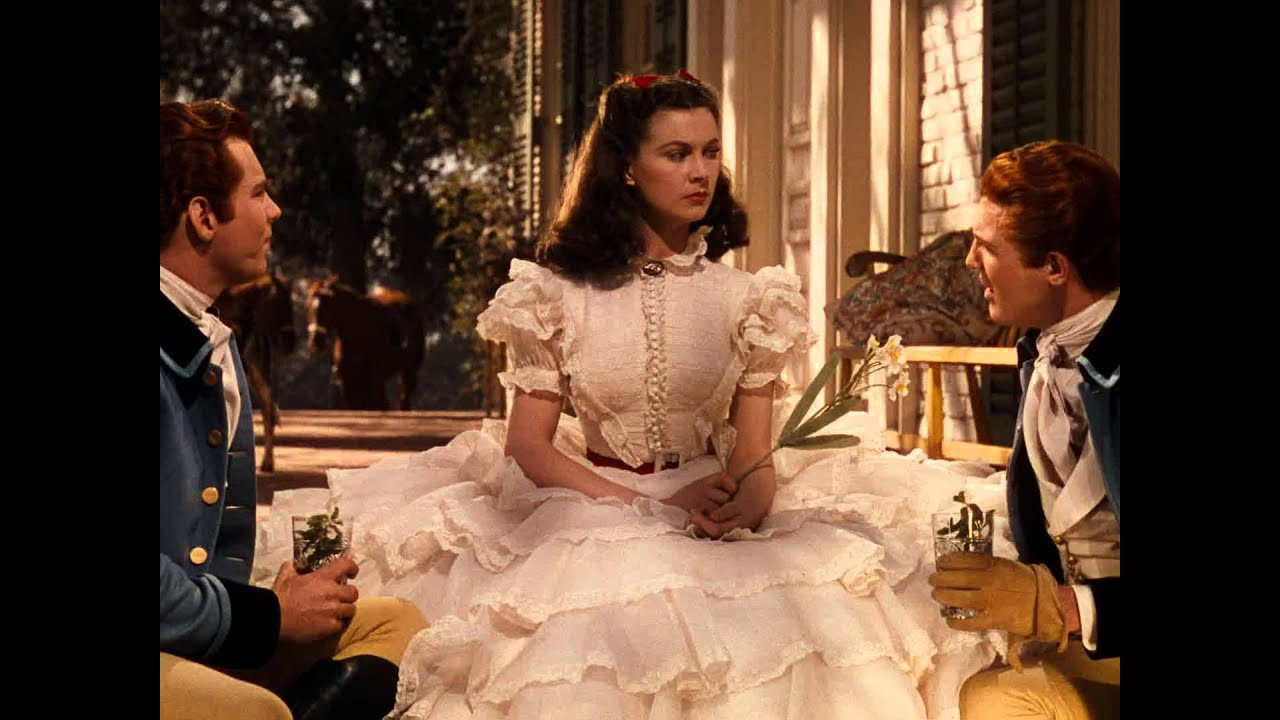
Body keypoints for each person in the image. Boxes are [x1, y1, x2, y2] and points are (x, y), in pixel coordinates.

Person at [264, 72, 1005, 719]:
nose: (700, 172)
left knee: (803, 629)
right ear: (625, 168)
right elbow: (528, 448)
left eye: (710, 152)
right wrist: (649, 508)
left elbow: (754, 455)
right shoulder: (555, 294)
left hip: (708, 506)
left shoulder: (751, 299)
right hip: (590, 501)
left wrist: (744, 507)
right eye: (677, 154)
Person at [159, 98, 427, 720]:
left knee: (400, 627)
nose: (275, 210)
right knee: (258, 712)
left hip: (190, 633)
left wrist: (277, 603)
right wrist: (269, 616)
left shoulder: (209, 337)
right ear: (203, 216)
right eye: (258, 193)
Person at [930, 140, 1121, 719]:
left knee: (994, 702)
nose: (970, 261)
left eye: (987, 246)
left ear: (1055, 267)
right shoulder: (1042, 354)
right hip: (1078, 646)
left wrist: (1064, 607)